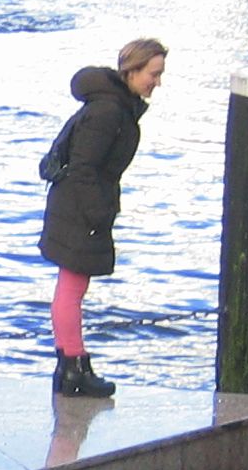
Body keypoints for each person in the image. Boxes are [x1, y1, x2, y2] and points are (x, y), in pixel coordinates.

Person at [38, 37, 167, 398]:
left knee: (71, 286)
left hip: (78, 205)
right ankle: (73, 367)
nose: (156, 82)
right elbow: (84, 168)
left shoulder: (115, 106)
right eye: (152, 74)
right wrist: (98, 214)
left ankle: (69, 367)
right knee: (72, 287)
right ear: (132, 70)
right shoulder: (110, 112)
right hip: (80, 207)